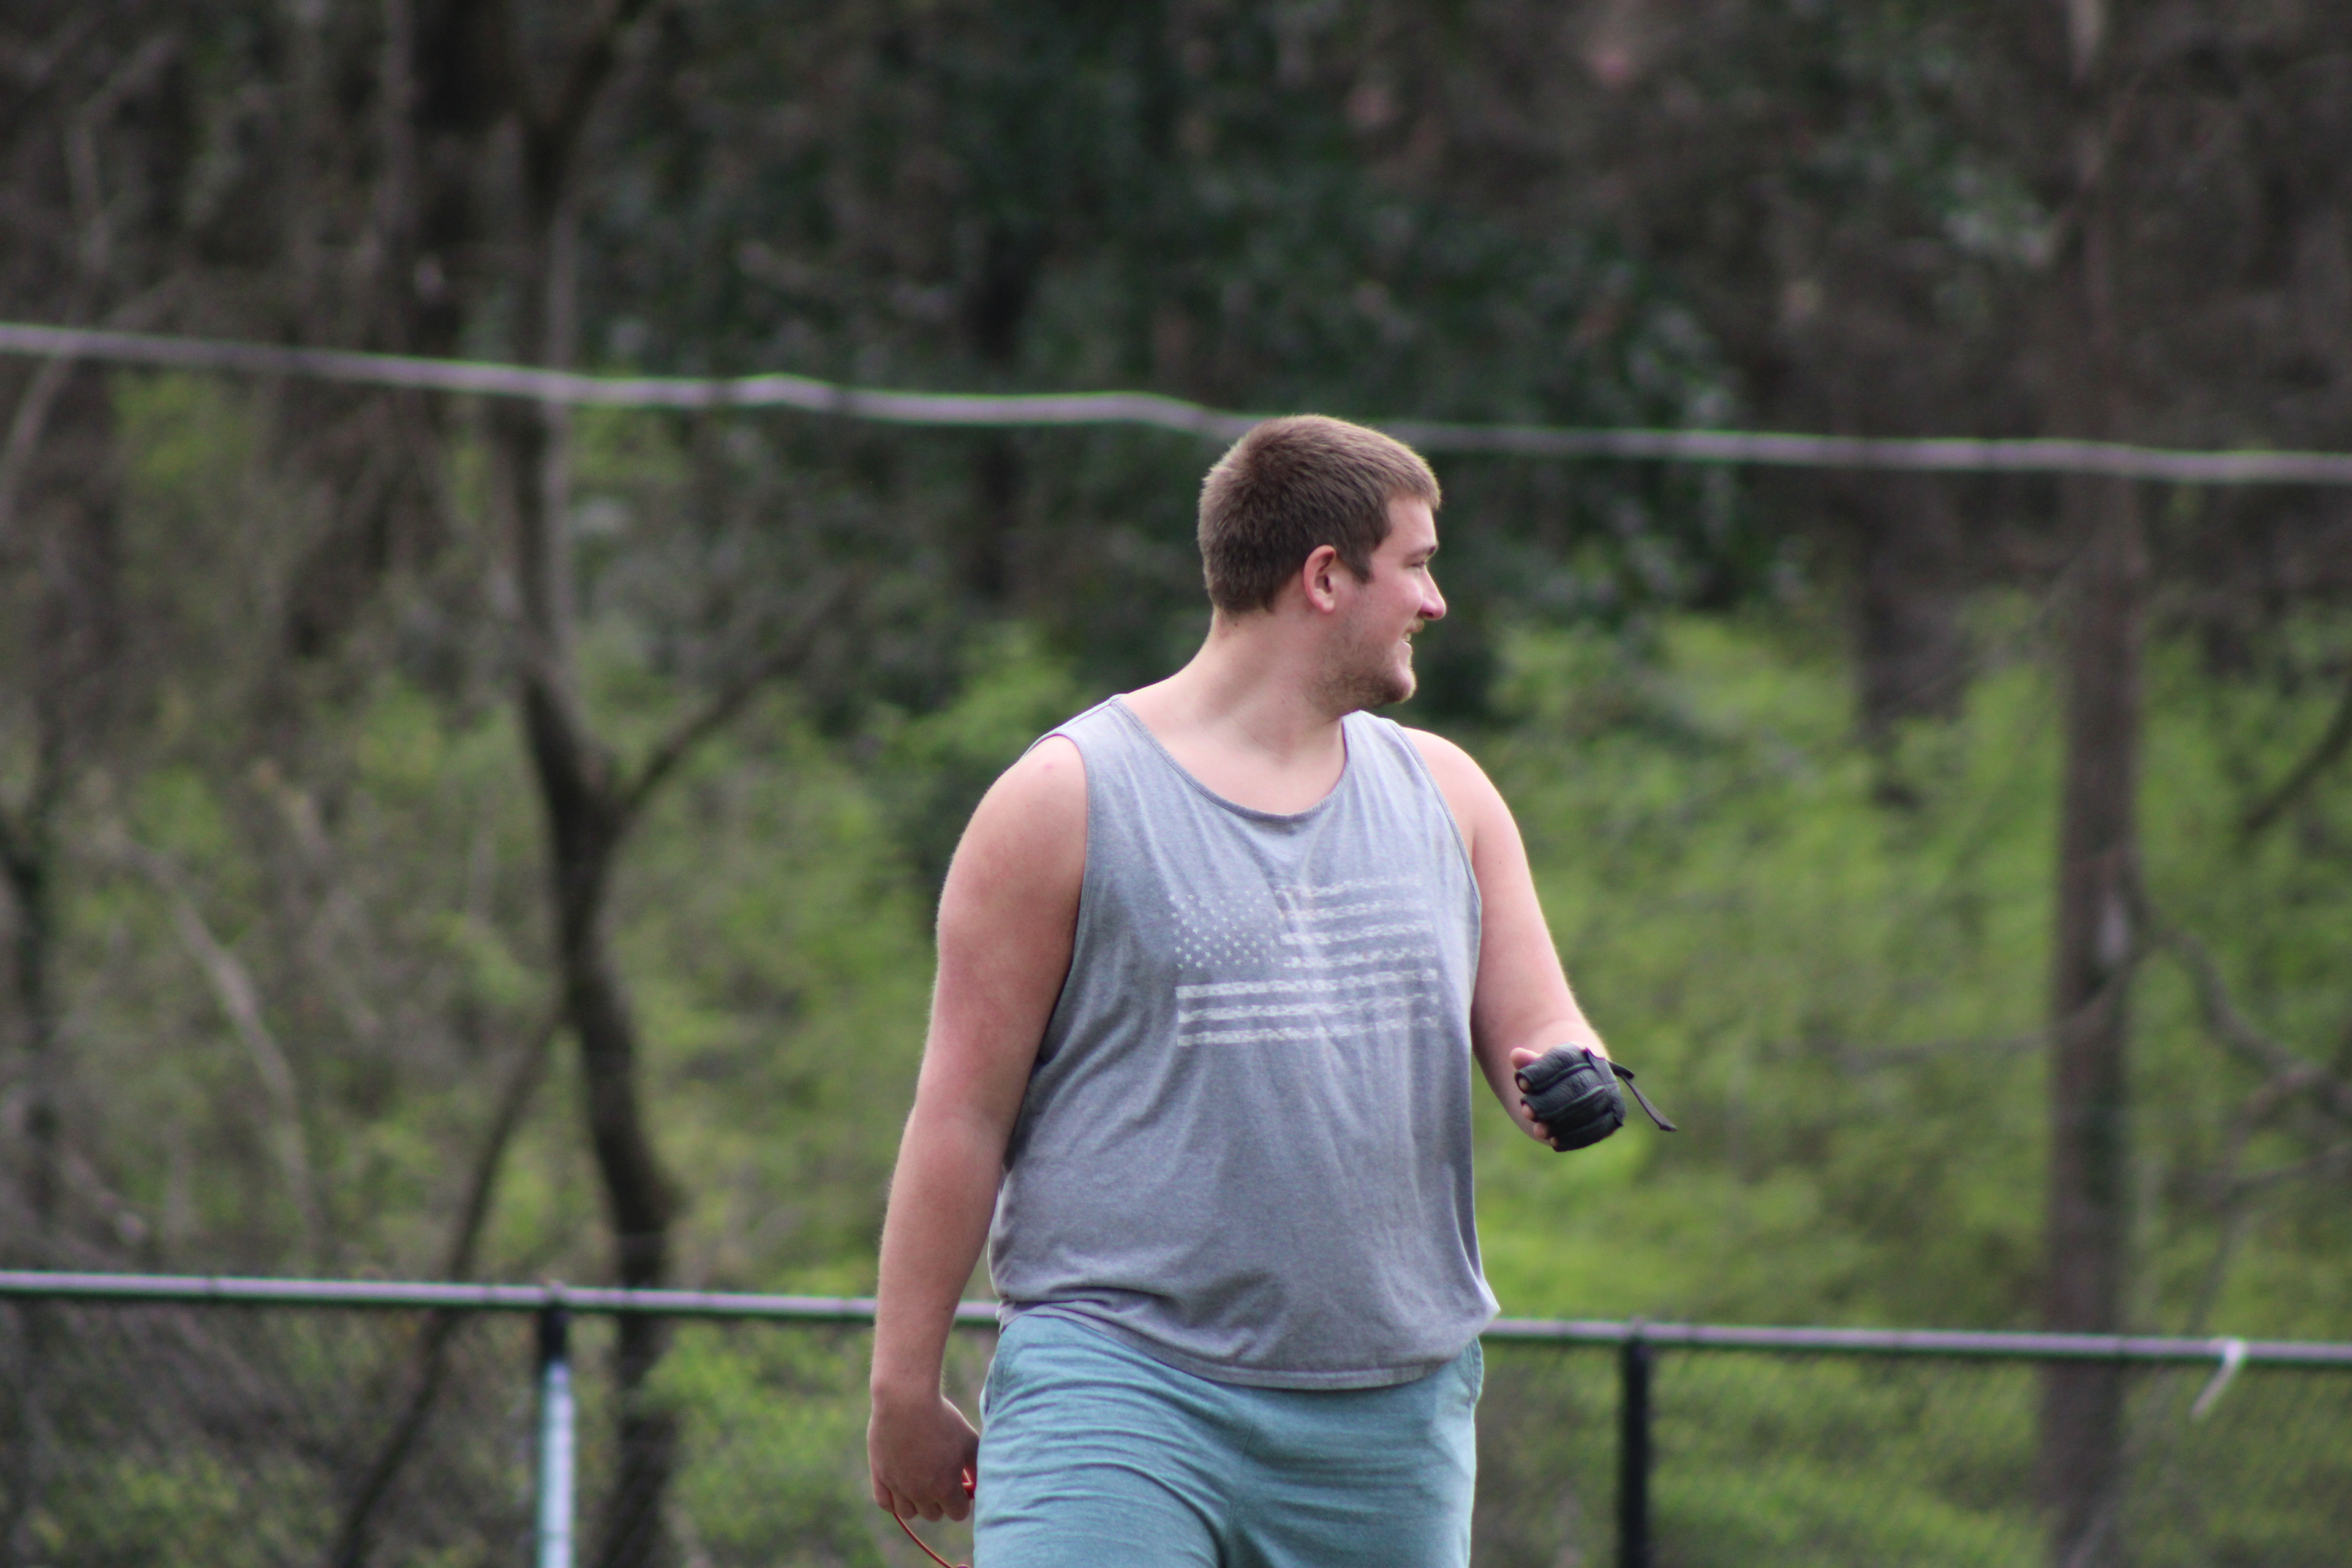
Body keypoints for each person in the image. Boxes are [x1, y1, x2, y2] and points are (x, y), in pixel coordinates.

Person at [866, 414, 1612, 1567]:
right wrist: (903, 1389)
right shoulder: (1065, 799)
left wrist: (1570, 1074)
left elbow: (1541, 1025)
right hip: (1120, 1395)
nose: (1436, 602)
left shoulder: (1450, 794)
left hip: (1391, 1423)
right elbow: (961, 1112)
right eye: (1416, 565)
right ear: (1325, 577)